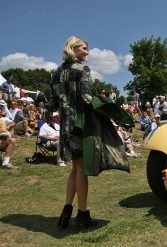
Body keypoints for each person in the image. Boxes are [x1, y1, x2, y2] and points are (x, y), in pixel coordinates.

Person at [48, 36, 98, 229]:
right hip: (79, 124)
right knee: (81, 170)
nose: (87, 52)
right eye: (84, 48)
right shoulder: (82, 69)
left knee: (75, 169)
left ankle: (66, 211)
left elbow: (52, 103)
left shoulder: (56, 72)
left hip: (64, 127)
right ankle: (82, 214)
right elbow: (87, 98)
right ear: (73, 48)